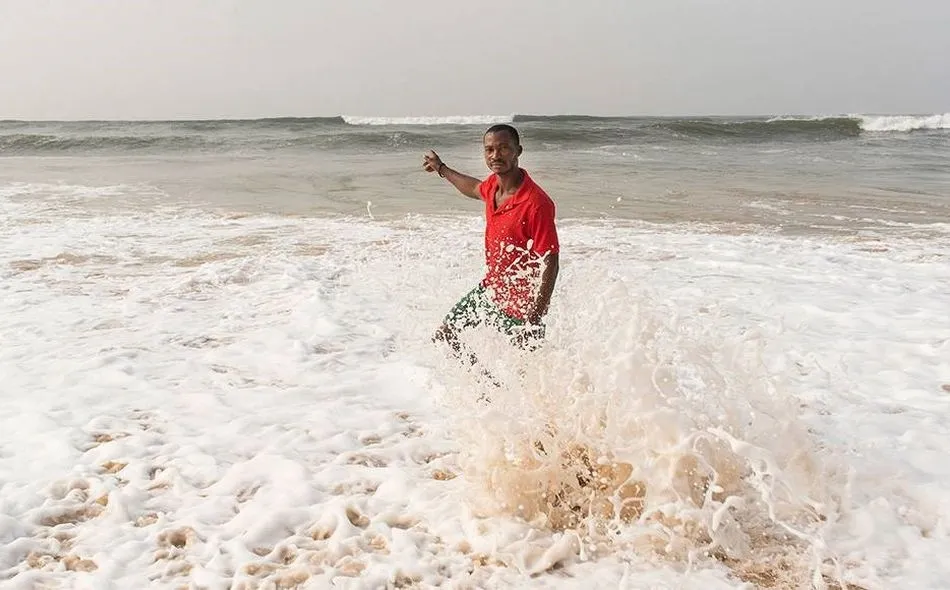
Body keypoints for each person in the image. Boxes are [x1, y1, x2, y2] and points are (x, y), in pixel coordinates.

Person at [422, 124, 560, 372]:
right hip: (491, 291)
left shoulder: (536, 203)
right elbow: (473, 188)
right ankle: (487, 389)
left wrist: (534, 318)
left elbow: (550, 261)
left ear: (518, 151)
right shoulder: (493, 188)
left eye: (504, 148)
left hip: (522, 306)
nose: (496, 155)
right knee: (445, 336)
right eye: (489, 150)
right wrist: (441, 169)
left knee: (527, 376)